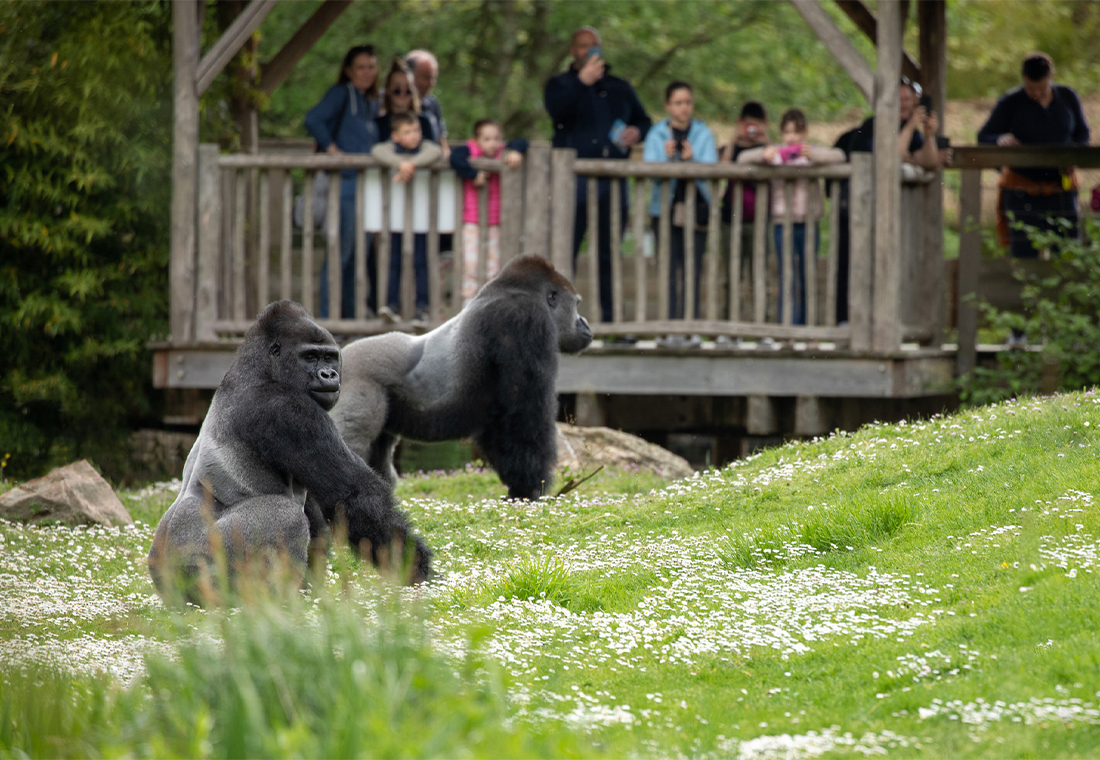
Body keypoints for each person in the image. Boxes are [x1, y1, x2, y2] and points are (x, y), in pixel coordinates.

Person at [544, 26, 652, 326]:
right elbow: (557, 113)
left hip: (612, 180)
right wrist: (582, 82)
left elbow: (644, 120)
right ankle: (560, 323)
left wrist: (636, 132)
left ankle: (614, 320)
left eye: (594, 45)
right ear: (572, 51)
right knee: (566, 251)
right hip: (573, 180)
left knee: (609, 252)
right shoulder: (560, 84)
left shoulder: (619, 86)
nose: (590, 51)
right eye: (583, 46)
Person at [737, 108, 845, 326]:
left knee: (807, 278)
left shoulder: (809, 152)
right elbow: (742, 159)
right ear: (781, 133)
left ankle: (807, 328)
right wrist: (763, 154)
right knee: (786, 278)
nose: (791, 137)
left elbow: (839, 156)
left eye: (796, 132)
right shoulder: (776, 152)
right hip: (781, 223)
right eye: (787, 132)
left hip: (808, 223)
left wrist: (813, 155)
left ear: (804, 132)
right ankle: (788, 327)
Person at [978, 52, 1090, 260]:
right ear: (1024, 81)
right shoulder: (1011, 101)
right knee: (1023, 255)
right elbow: (984, 135)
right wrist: (1000, 139)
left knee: (1067, 252)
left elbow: (1082, 134)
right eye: (1031, 89)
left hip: (1061, 187)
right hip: (1022, 189)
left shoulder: (1067, 97)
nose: (1037, 93)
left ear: (1051, 77)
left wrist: (1073, 156)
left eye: (1042, 88)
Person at [304, 45, 380, 319]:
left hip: (367, 188)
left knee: (356, 259)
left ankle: (348, 320)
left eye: (371, 66)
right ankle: (329, 320)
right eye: (361, 67)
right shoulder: (341, 94)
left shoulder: (371, 102)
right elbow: (313, 119)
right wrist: (333, 150)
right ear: (348, 70)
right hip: (345, 186)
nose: (367, 72)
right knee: (340, 255)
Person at [643, 81, 717, 342]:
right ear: (667, 106)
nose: (683, 107)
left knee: (692, 268)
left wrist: (692, 160)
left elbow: (711, 169)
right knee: (667, 269)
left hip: (695, 211)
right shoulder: (656, 134)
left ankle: (690, 328)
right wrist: (665, 160)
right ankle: (668, 327)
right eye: (678, 102)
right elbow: (650, 173)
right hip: (663, 210)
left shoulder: (703, 133)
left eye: (687, 102)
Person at [370, 111, 443, 326]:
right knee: (394, 263)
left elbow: (435, 151)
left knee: (421, 263)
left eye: (416, 130)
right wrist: (400, 162)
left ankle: (422, 308)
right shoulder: (390, 148)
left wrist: (411, 164)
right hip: (396, 220)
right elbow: (377, 151)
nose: (414, 135)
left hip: (420, 220)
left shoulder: (425, 148)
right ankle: (391, 305)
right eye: (407, 132)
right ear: (396, 136)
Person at [449, 119, 528, 303]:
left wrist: (515, 151)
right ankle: (468, 307)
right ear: (476, 140)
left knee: (494, 268)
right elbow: (455, 158)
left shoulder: (503, 153)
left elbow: (523, 142)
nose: (492, 143)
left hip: (495, 222)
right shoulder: (469, 152)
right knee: (471, 266)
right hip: (471, 221)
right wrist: (473, 174)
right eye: (486, 139)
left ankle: (490, 306)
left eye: (496, 138)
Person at [719, 101, 769, 321]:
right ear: (740, 124)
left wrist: (766, 142)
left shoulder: (767, 149)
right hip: (731, 220)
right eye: (748, 126)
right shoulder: (732, 148)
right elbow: (721, 169)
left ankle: (763, 323)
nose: (751, 131)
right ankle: (730, 324)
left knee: (759, 275)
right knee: (731, 275)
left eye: (756, 126)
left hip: (759, 221)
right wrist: (733, 140)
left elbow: (778, 163)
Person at [375, 59, 434, 144]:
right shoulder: (379, 124)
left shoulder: (423, 122)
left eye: (408, 89)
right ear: (387, 90)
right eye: (397, 90)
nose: (403, 93)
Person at [405, 49, 449, 155]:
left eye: (433, 78)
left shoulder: (433, 104)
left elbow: (442, 144)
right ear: (409, 75)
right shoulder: (390, 99)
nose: (430, 83)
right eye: (426, 77)